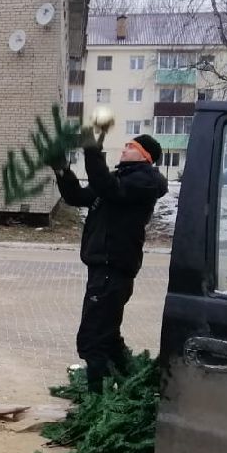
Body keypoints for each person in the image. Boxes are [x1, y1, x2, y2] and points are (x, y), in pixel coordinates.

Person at [52, 131, 169, 393]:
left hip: (113, 267)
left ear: (145, 156)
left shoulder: (145, 181)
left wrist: (92, 150)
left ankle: (97, 397)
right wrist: (62, 170)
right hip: (104, 268)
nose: (125, 148)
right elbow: (77, 197)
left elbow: (107, 187)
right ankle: (130, 381)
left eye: (131, 146)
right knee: (108, 334)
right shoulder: (120, 179)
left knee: (92, 337)